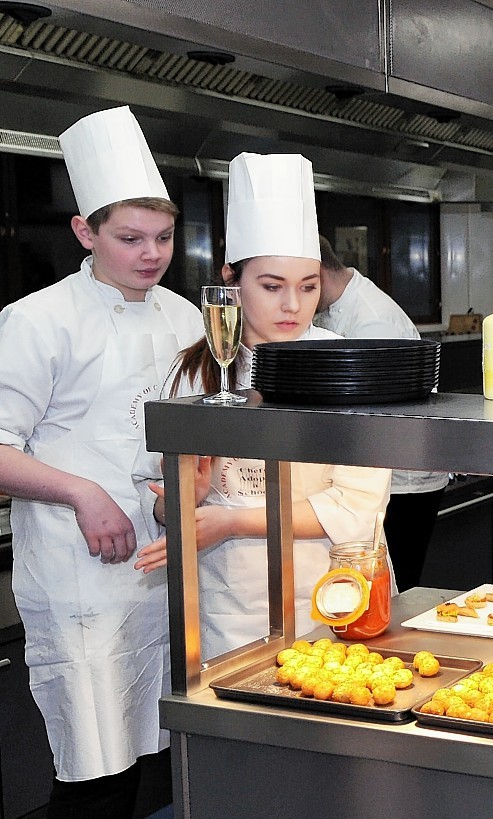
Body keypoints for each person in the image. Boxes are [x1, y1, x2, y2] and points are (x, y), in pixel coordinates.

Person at [0, 105, 195, 819]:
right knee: (92, 764)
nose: (150, 254)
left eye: (161, 237)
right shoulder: (38, 319)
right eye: (130, 239)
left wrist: (173, 494)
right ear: (86, 231)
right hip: (79, 578)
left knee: (137, 757)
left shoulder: (187, 319)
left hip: (156, 572)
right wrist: (82, 491)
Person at [135, 153, 391, 659]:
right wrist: (186, 497)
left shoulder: (349, 369)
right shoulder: (192, 372)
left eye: (309, 287)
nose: (292, 306)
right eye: (272, 287)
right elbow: (165, 507)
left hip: (338, 594)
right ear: (232, 279)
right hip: (230, 607)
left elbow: (357, 510)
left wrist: (231, 521)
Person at [314, 234, 448, 590]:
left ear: (317, 273)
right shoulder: (340, 307)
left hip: (401, 482)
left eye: (302, 285)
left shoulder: (371, 321)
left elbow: (372, 420)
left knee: (390, 588)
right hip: (381, 476)